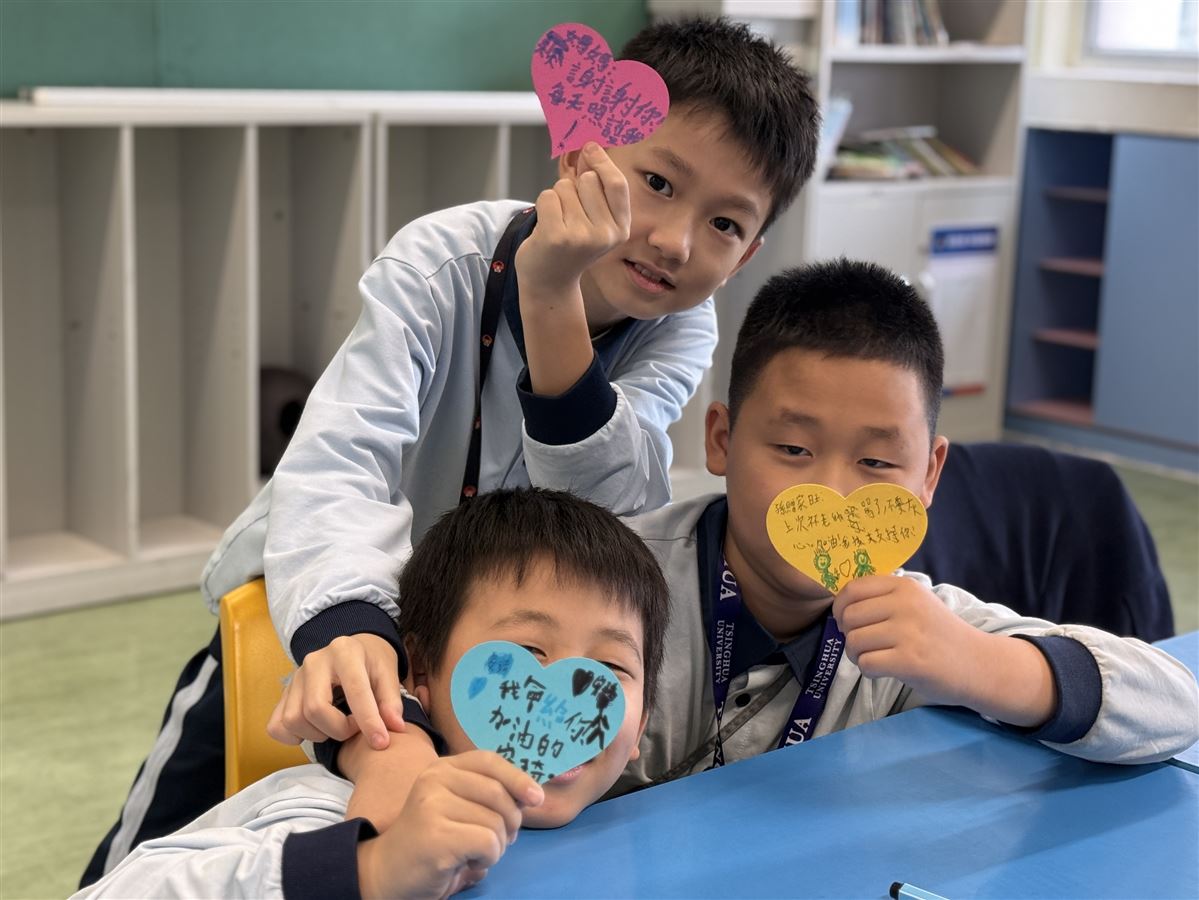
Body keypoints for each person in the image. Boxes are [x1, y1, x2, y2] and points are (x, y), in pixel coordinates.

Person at [79, 17, 820, 886]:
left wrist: (550, 296)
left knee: (441, 848)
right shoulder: (444, 259)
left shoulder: (681, 328)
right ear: (578, 149)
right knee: (175, 828)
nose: (674, 240)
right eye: (657, 182)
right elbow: (341, 456)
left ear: (750, 252)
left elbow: (604, 499)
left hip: (491, 653)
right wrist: (348, 625)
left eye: (724, 224)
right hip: (326, 600)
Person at [609, 258, 1198, 791]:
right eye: (793, 449)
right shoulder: (607, 579)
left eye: (875, 462)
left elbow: (1173, 707)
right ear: (722, 439)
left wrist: (977, 664)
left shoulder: (920, 629)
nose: (832, 493)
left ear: (928, 475)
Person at [73, 489, 669, 899]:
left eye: (610, 668)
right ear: (420, 675)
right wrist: (370, 868)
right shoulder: (352, 806)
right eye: (529, 652)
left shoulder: (633, 820)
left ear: (641, 724)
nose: (566, 705)